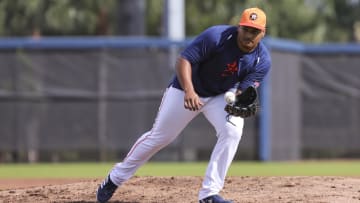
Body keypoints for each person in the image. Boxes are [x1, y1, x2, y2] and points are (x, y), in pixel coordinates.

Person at [96, 7, 271, 203]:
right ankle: (114, 178)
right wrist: (189, 91)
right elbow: (184, 60)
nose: (249, 35)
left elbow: (243, 90)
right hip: (185, 88)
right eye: (246, 29)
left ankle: (209, 194)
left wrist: (240, 100)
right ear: (238, 27)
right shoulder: (216, 36)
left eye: (254, 31)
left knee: (232, 131)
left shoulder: (262, 60)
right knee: (160, 137)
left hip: (220, 95)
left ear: (262, 33)